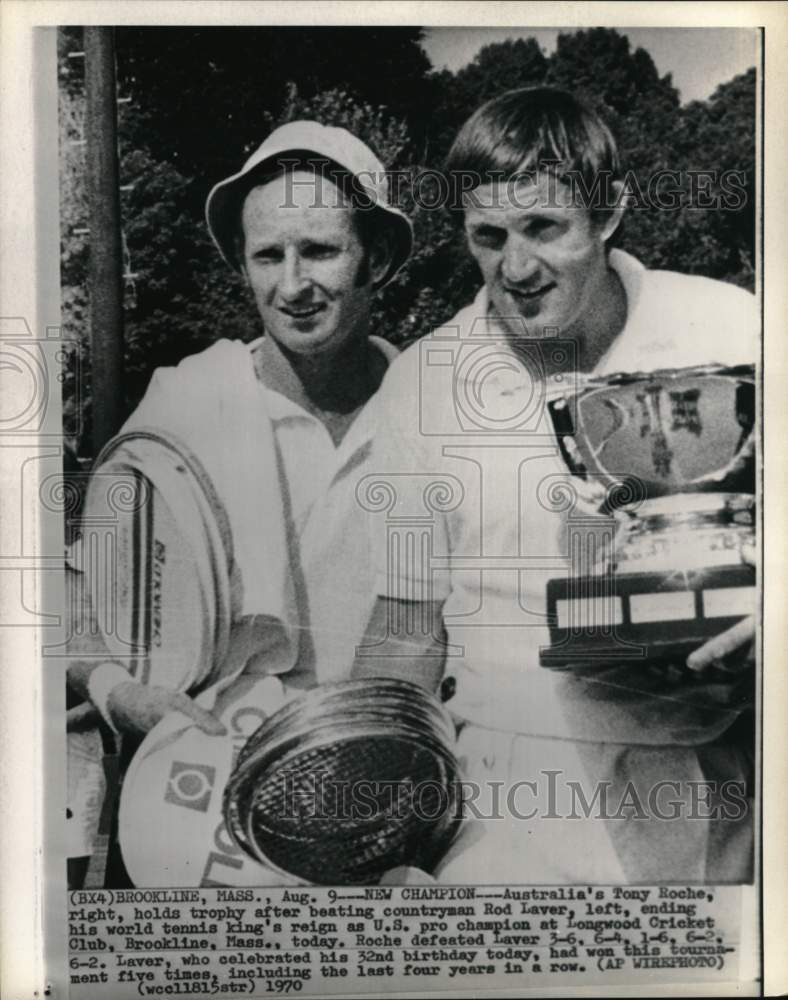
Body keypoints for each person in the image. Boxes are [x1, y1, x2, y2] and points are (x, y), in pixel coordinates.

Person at [352, 86, 757, 884]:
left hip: (719, 763)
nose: (516, 267)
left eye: (545, 227)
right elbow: (403, 624)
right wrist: (371, 809)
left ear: (609, 215)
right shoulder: (424, 382)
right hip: (509, 792)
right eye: (489, 235)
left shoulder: (732, 326)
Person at [65, 121, 413, 884]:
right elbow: (80, 617)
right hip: (202, 806)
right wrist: (121, 695)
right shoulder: (188, 408)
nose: (292, 285)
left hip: (388, 801)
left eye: (320, 250)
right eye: (268, 256)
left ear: (377, 257)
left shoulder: (433, 409)